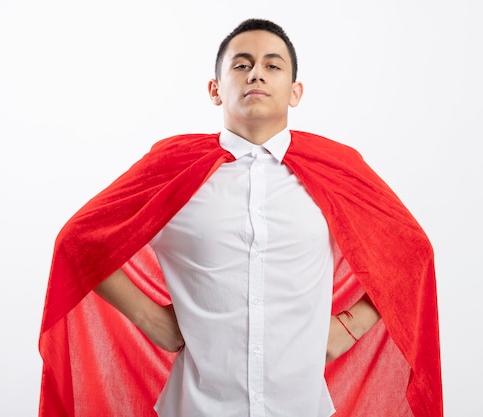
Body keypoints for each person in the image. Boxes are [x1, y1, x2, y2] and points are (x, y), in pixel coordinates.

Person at [38, 18, 443, 417]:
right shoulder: (173, 169)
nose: (256, 74)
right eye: (241, 64)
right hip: (198, 407)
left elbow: (411, 254)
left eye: (272, 65)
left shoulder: (336, 168)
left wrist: (351, 325)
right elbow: (78, 243)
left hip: (301, 408)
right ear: (215, 90)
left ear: (295, 91)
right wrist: (152, 320)